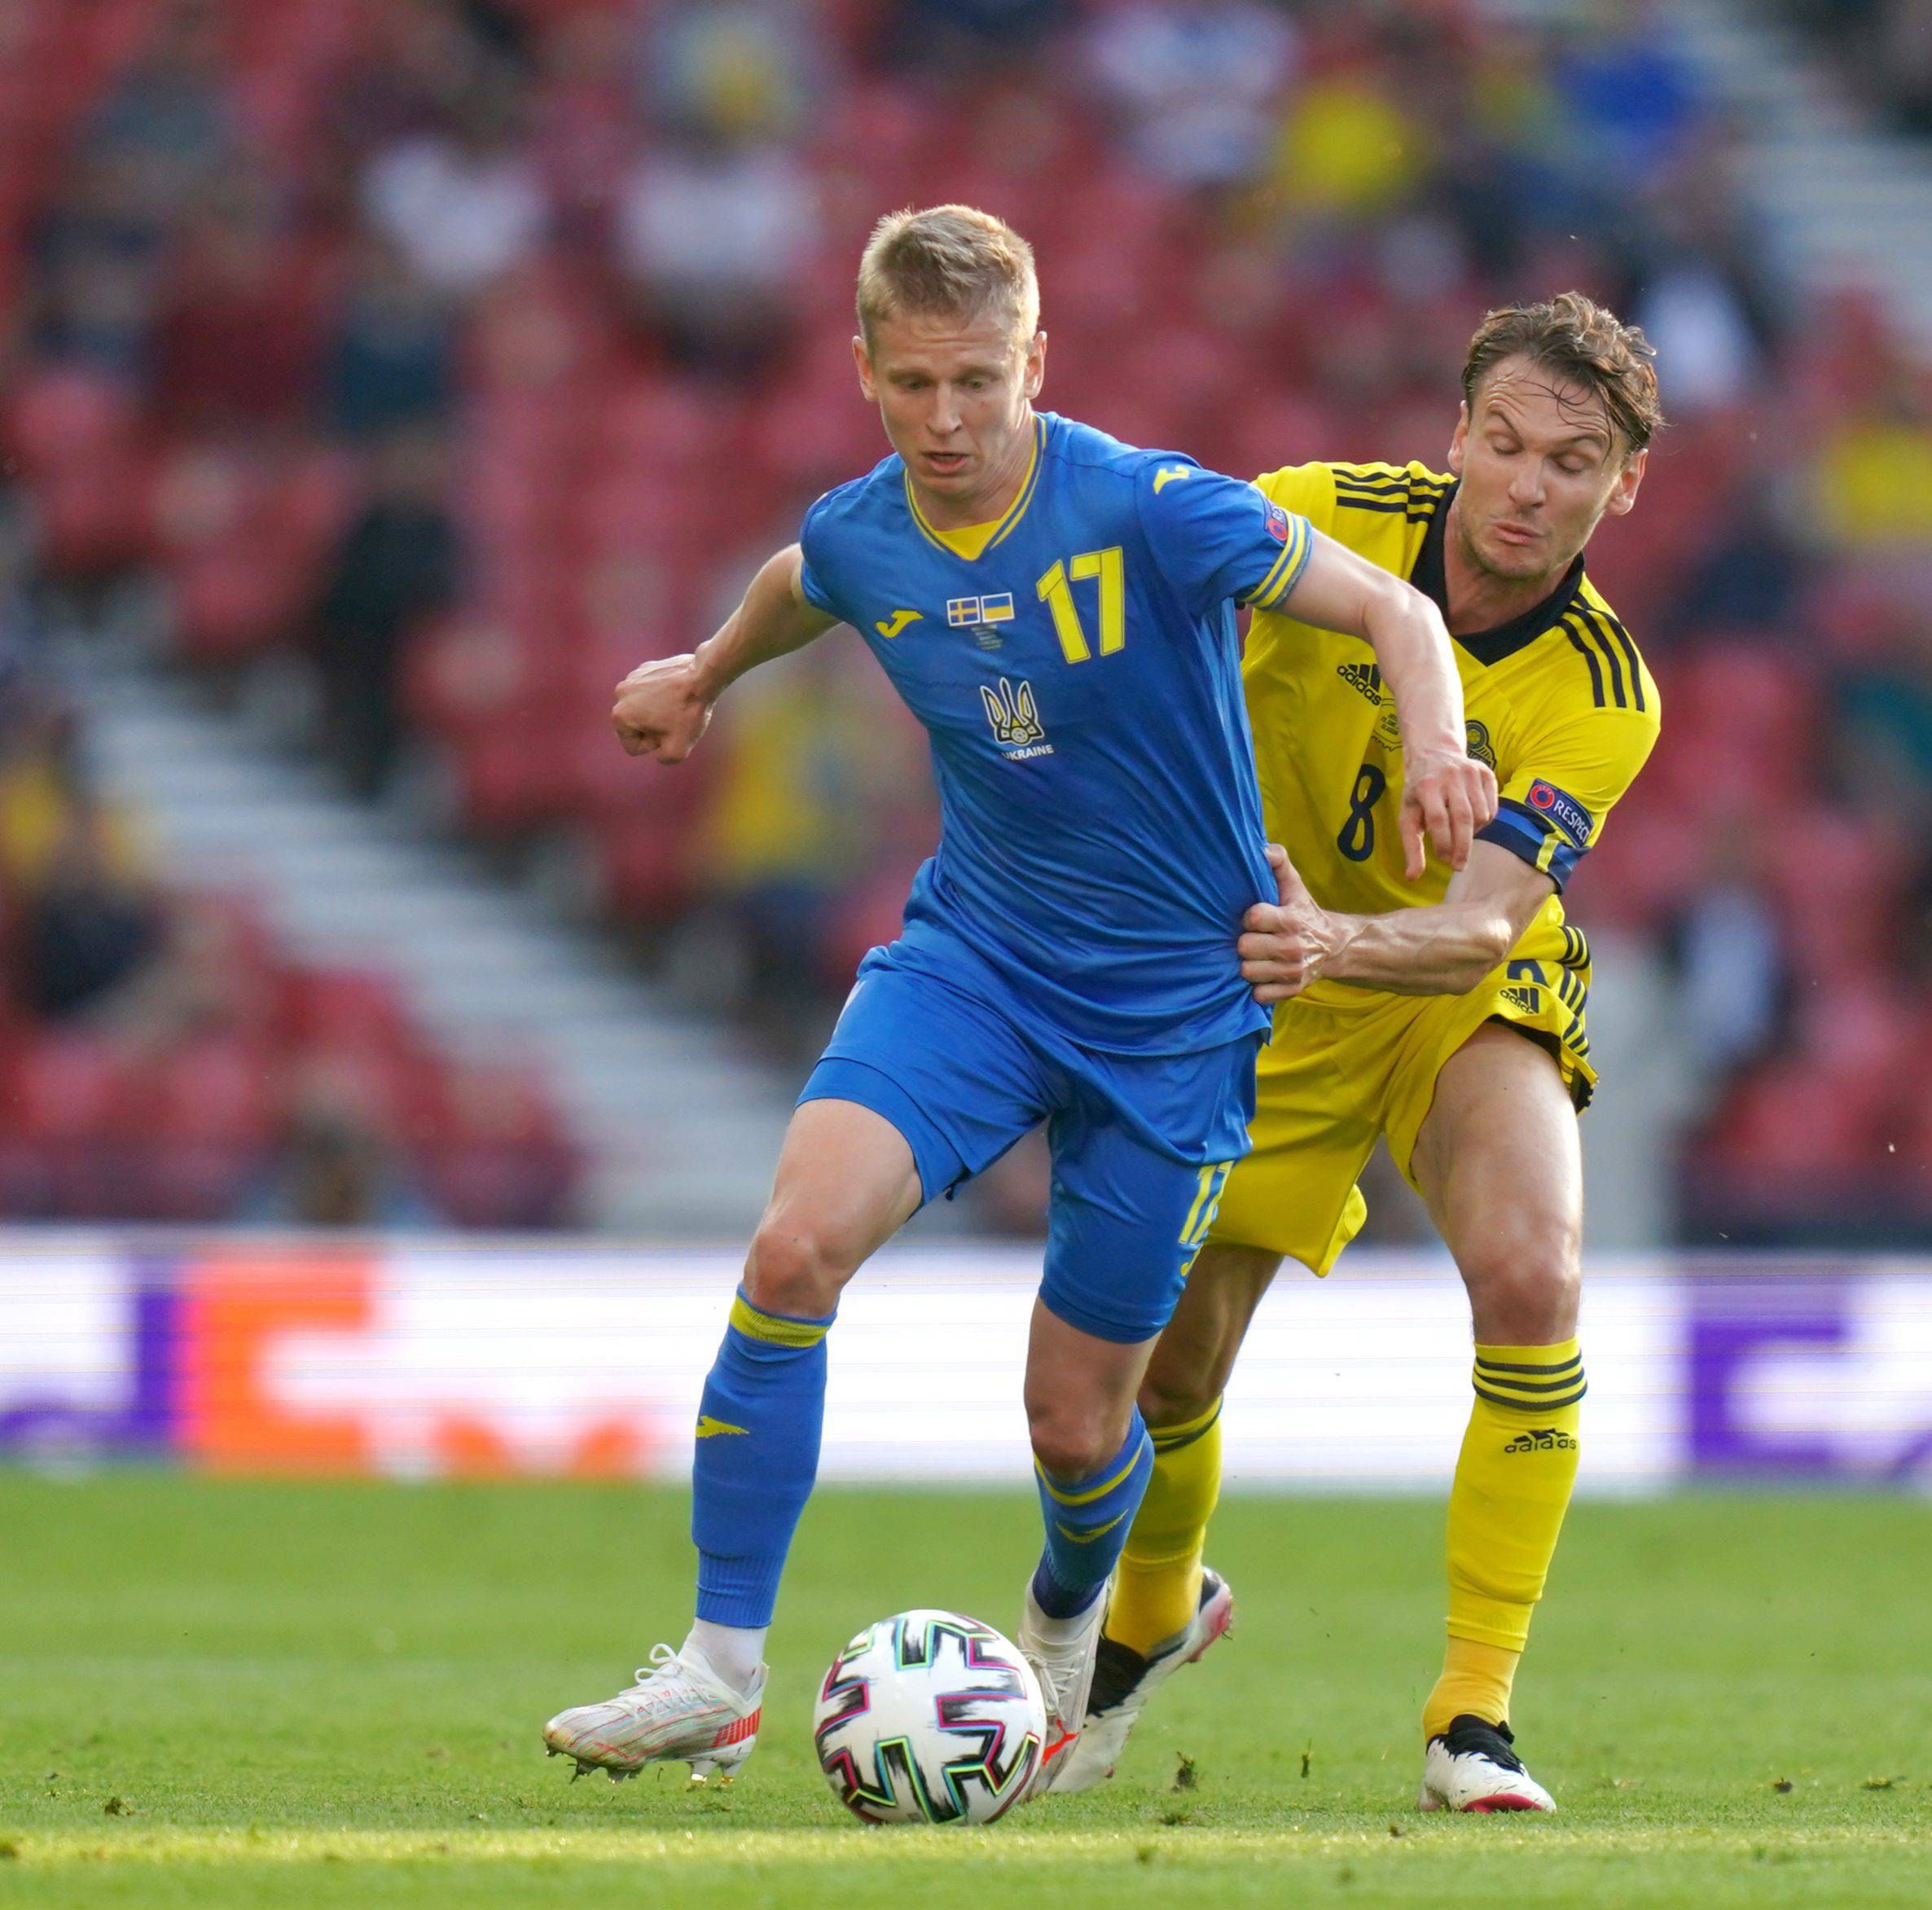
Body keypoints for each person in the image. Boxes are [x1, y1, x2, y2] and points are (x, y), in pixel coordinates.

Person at [538, 205, 1495, 1790]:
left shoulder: (1151, 508)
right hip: (976, 964)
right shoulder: (866, 531)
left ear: (1036, 363)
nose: (946, 419)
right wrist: (704, 673)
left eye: (977, 380)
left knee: (1074, 1421)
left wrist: (1440, 751)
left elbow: (1399, 609)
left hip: (1174, 1011)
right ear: (864, 370)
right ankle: (718, 1669)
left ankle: (1068, 1628)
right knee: (792, 1247)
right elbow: (804, 577)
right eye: (913, 382)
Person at [1056, 293, 1663, 1813]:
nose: (1527, 486)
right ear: (1457, 433)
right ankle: (1154, 1607)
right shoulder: (1317, 514)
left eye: (1572, 463)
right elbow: (1137, 607)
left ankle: (1475, 1714)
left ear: (1622, 487)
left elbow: (1480, 927)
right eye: (1505, 443)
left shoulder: (1605, 693)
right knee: (1170, 1369)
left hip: (1445, 989)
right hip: (1256, 976)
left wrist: (1337, 937)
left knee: (1535, 1272)